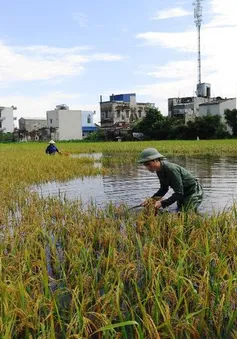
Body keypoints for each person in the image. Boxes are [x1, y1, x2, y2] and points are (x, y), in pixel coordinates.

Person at [138, 148, 203, 212]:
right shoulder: (159, 171)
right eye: (145, 165)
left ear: (156, 160)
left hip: (193, 192)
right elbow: (164, 189)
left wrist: (162, 203)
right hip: (183, 193)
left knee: (185, 214)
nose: (147, 167)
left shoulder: (171, 170)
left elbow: (179, 193)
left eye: (148, 164)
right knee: (179, 210)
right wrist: (151, 200)